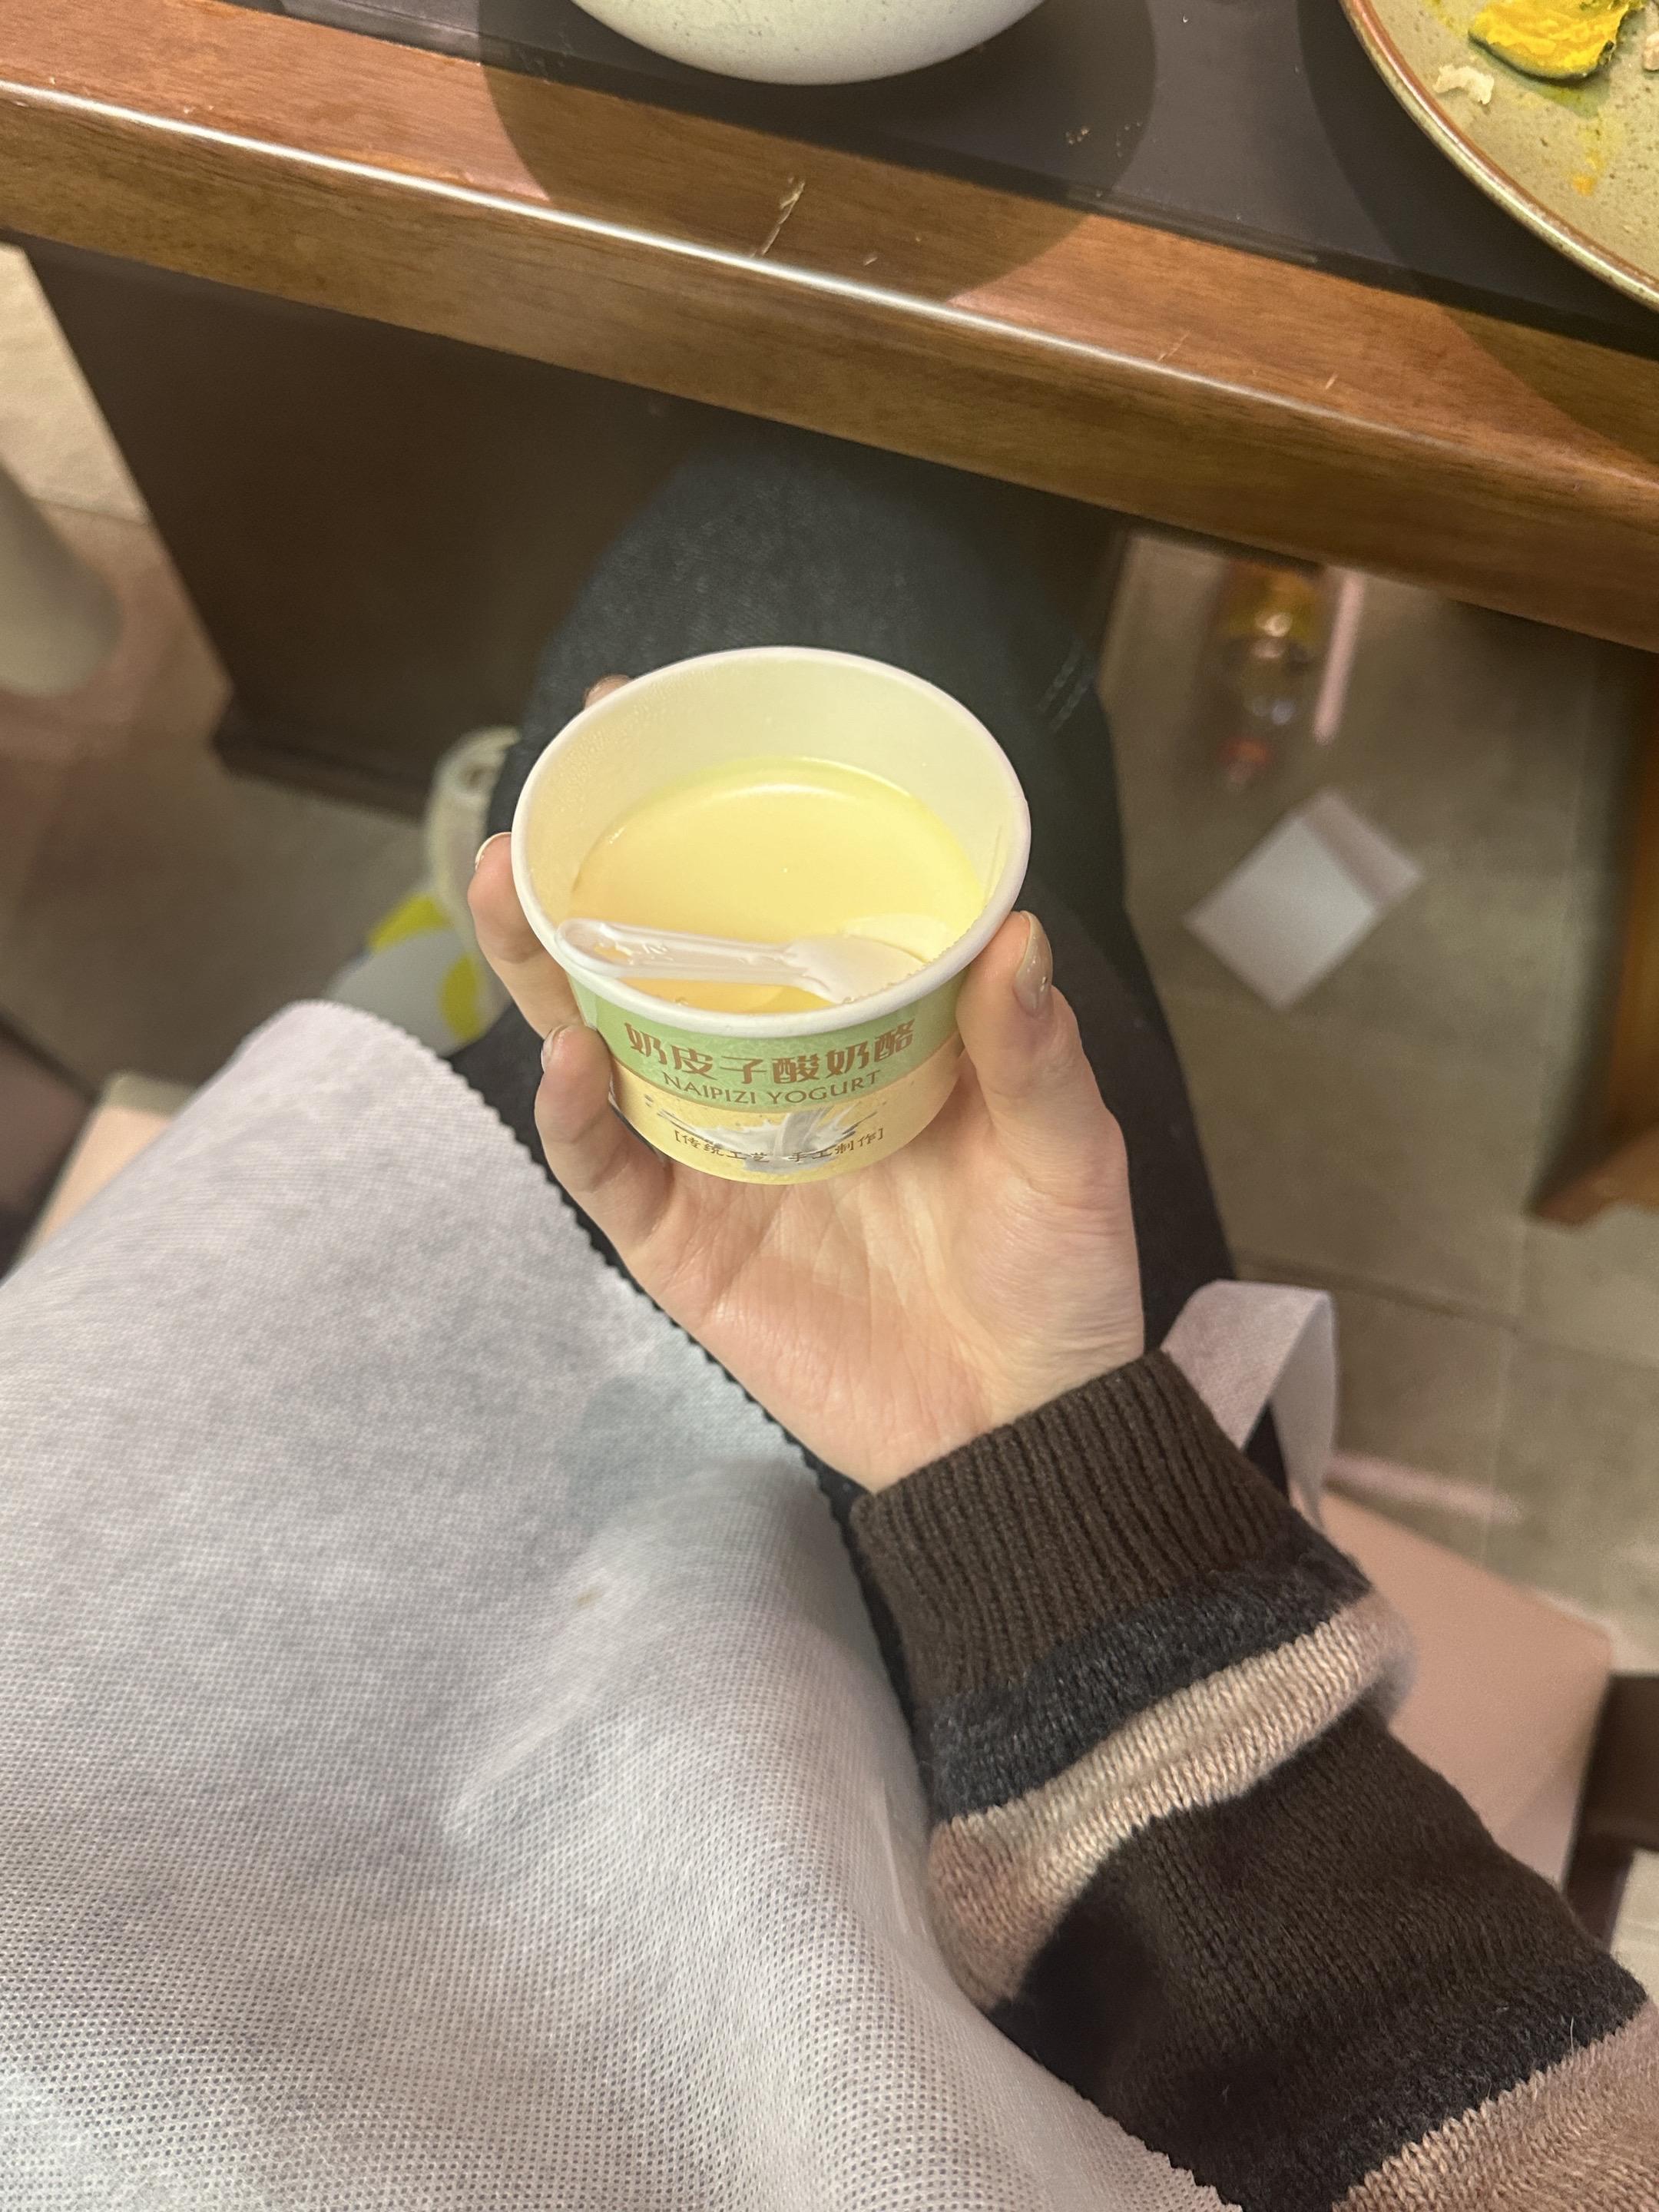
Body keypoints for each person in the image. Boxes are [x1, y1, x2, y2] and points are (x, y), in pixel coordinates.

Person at [0, 432, 1652, 2210]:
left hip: (245, 1532)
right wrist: (1033, 1476)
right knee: (804, 544)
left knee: (709, 632)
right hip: (1010, 1809)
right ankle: (442, 958)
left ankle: (430, 960)